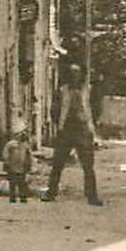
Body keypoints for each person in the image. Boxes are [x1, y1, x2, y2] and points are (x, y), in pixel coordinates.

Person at [41, 62, 103, 205]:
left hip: (83, 129)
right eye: (71, 73)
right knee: (58, 163)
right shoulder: (62, 91)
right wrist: (58, 124)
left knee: (88, 165)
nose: (74, 76)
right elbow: (55, 109)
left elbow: (95, 108)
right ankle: (51, 192)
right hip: (66, 129)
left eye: (77, 73)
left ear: (81, 75)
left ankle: (92, 195)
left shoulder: (88, 90)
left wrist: (91, 125)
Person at [2, 127, 34, 203]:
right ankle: (12, 197)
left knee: (22, 183)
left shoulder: (26, 145)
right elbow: (5, 154)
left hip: (22, 166)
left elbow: (29, 155)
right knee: (12, 183)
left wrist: (30, 164)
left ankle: (23, 197)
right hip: (12, 165)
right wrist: (6, 162)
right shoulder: (10, 144)